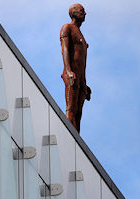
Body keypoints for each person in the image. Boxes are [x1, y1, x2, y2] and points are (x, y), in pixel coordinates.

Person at [60, 3, 91, 131]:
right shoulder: (67, 28)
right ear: (73, 13)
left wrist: (85, 82)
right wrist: (68, 71)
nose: (85, 13)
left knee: (78, 114)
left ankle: (76, 143)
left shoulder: (82, 36)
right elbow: (65, 49)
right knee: (71, 109)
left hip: (81, 78)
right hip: (71, 74)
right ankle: (68, 136)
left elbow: (83, 62)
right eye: (82, 11)